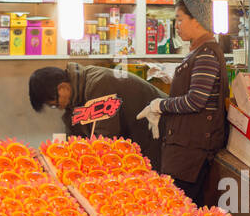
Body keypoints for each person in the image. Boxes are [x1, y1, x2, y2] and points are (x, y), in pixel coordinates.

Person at [136, 0, 227, 205]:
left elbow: (196, 100)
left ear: (197, 20)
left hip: (192, 155)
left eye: (180, 19)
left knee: (180, 211)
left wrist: (160, 105)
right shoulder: (199, 52)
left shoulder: (206, 54)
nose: (177, 25)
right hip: (185, 151)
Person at [28, 62, 166, 170]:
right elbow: (75, 140)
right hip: (142, 136)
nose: (58, 108)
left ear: (62, 88)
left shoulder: (98, 84)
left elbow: (104, 138)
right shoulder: (76, 97)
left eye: (54, 104)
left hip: (162, 129)